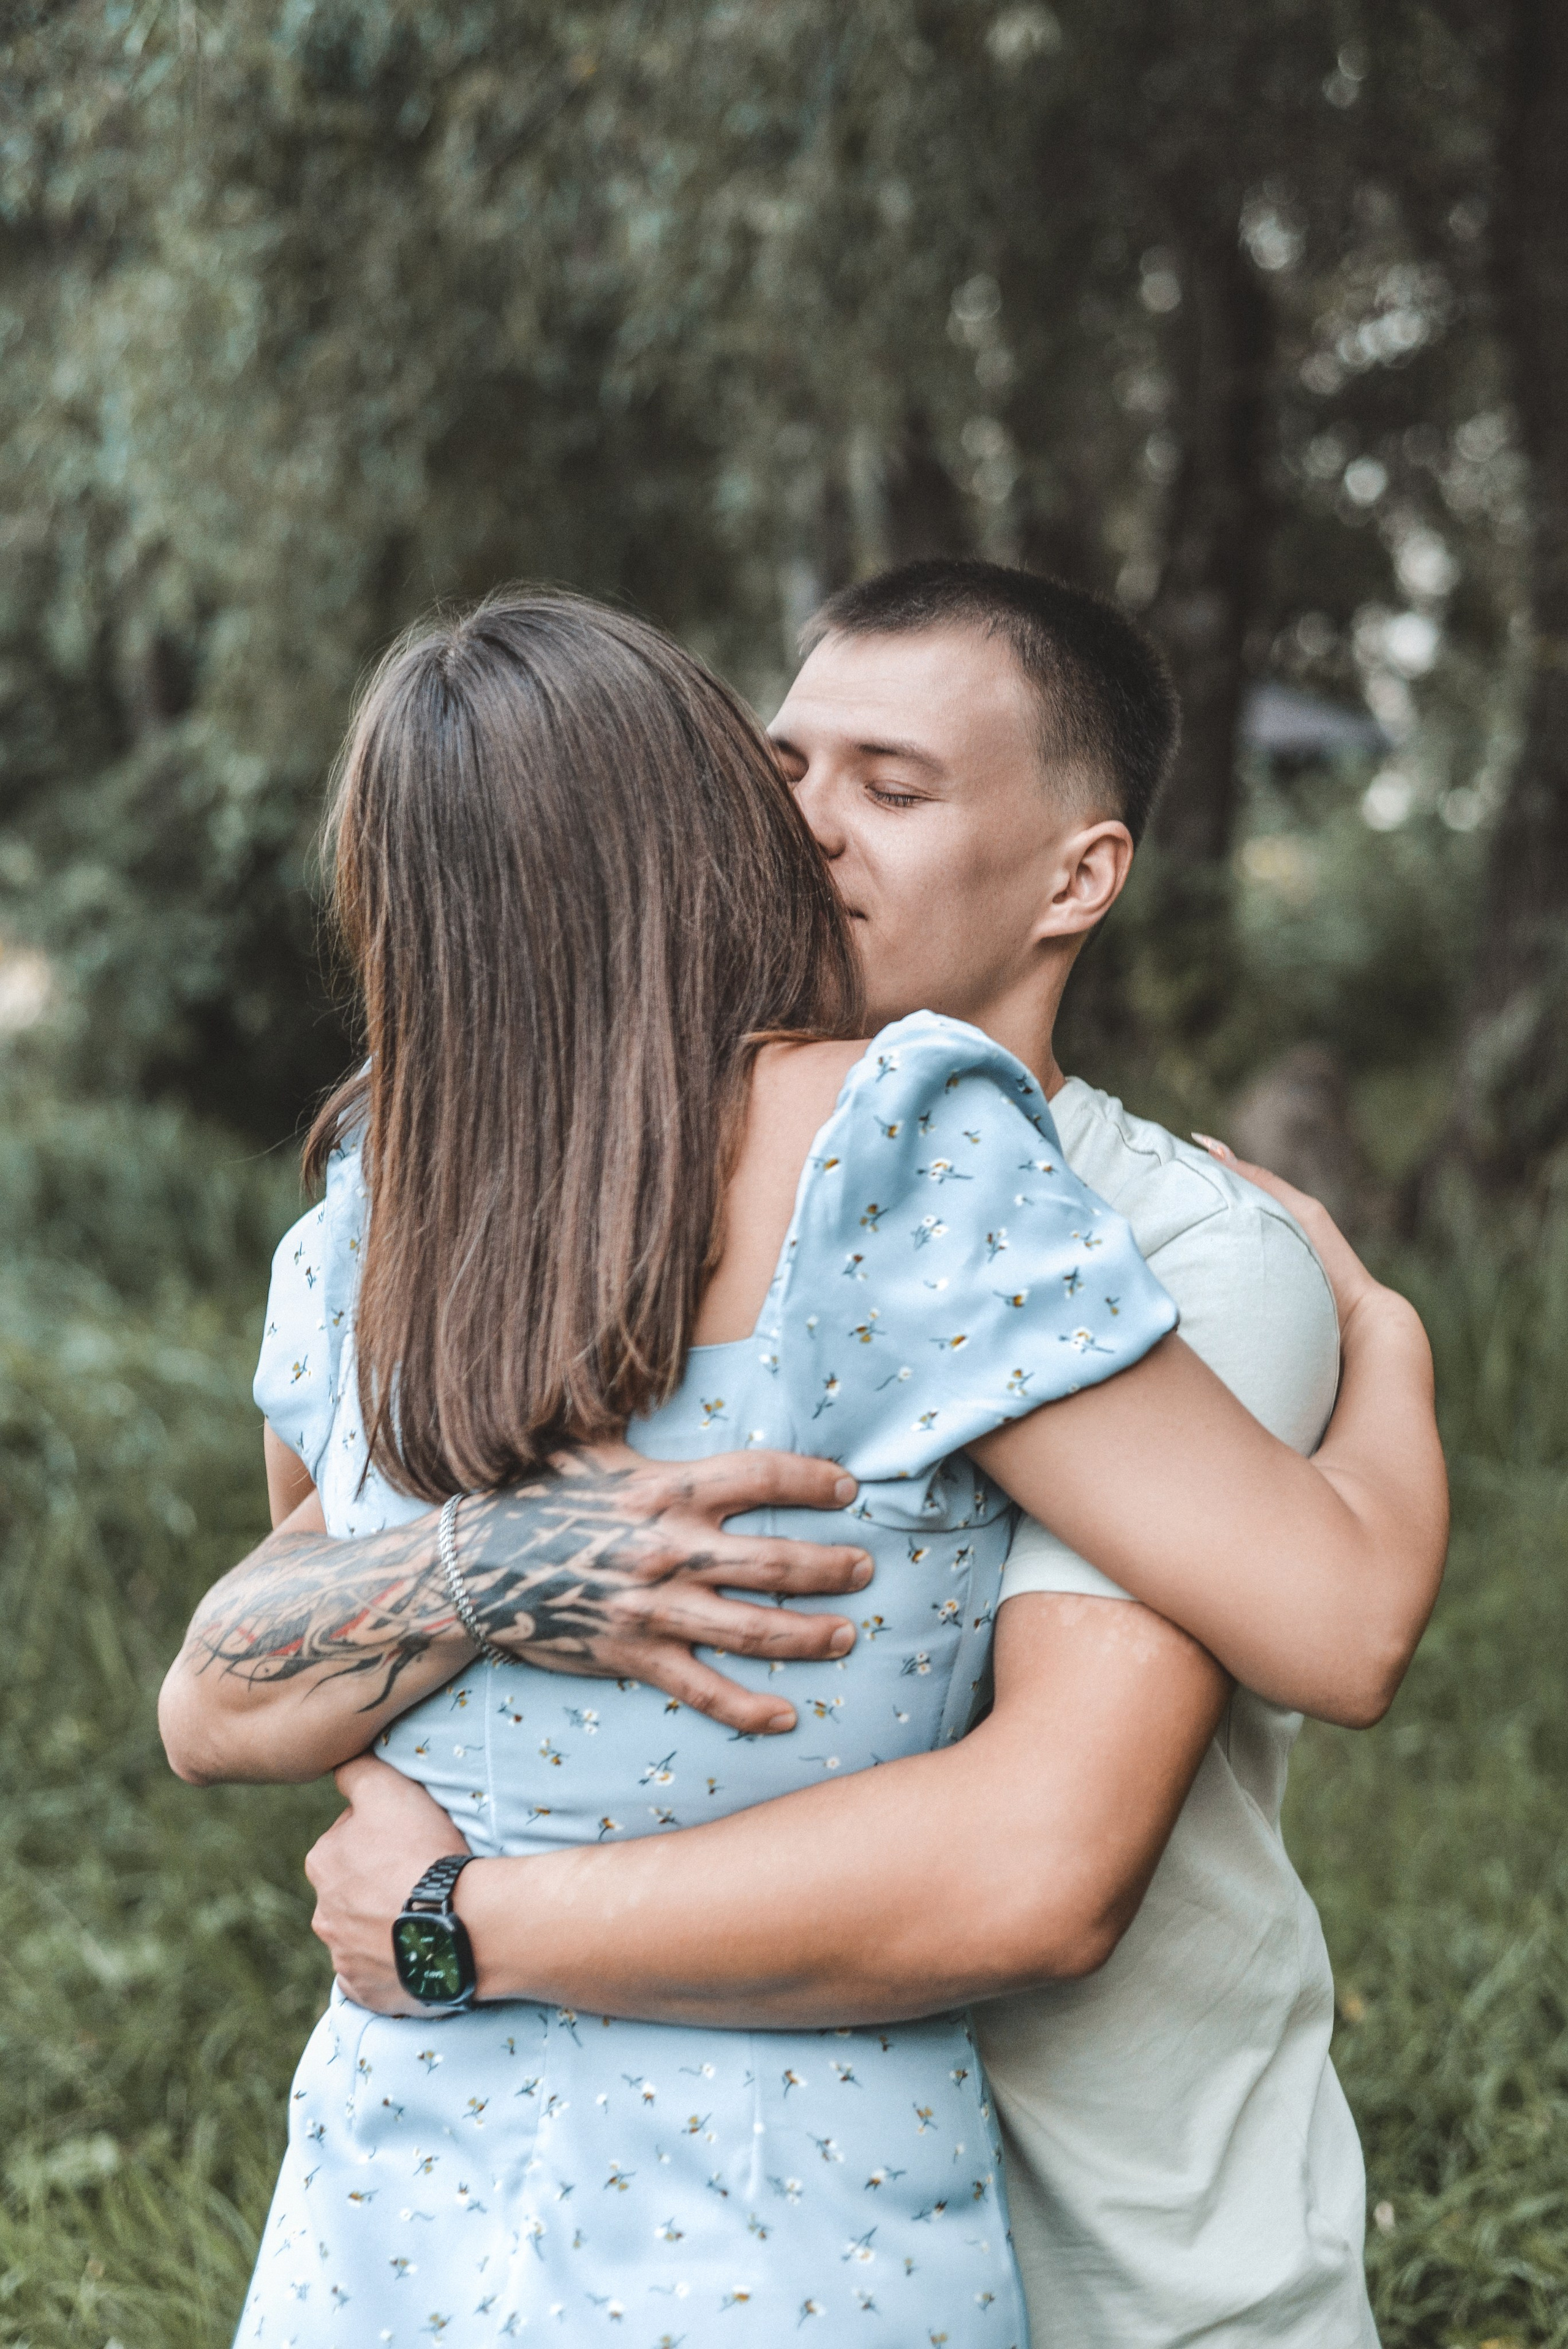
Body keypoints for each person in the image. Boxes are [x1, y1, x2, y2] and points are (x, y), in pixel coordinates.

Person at [160, 575, 1446, 2346]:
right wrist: (479, 1567)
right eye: (778, 773)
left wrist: (457, 1903)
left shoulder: (1175, 1247)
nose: (815, 825)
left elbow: (1046, 1855)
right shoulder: (618, 1187)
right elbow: (236, 1670)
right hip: (752, 2215)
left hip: (1048, 2246)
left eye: (893, 786)